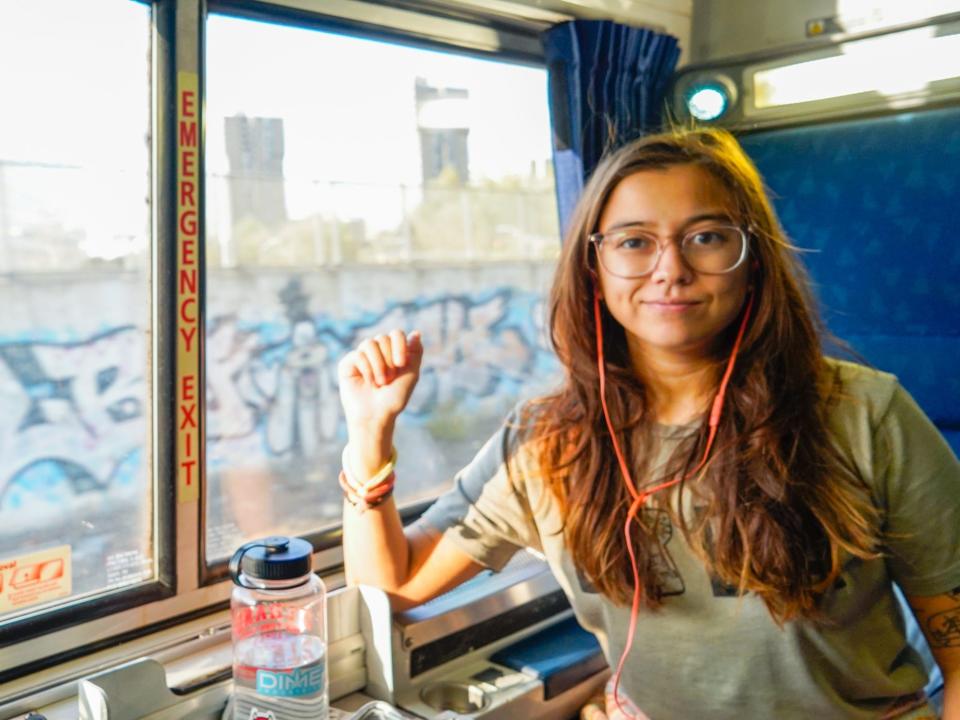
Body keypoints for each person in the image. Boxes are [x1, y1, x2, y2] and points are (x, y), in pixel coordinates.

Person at [336, 127, 960, 719]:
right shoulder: (546, 442)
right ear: (594, 268)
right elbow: (394, 583)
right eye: (634, 241)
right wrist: (370, 435)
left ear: (753, 260)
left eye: (706, 236)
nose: (671, 269)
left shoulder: (863, 414)